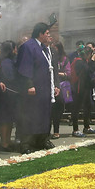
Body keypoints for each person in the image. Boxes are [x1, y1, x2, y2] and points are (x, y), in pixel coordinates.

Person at [16, 22, 59, 154]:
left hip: (45, 88)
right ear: (40, 34)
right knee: (31, 115)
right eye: (47, 33)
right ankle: (26, 143)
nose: (49, 35)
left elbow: (52, 69)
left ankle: (42, 139)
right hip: (34, 89)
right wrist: (29, 85)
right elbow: (24, 67)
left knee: (44, 114)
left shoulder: (45, 48)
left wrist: (55, 85)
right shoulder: (28, 47)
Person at [69, 48, 95, 137]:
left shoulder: (84, 61)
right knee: (76, 109)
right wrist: (92, 60)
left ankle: (87, 127)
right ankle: (75, 129)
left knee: (87, 107)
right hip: (78, 88)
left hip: (85, 88)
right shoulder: (79, 62)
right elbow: (89, 71)